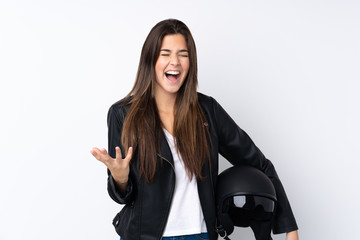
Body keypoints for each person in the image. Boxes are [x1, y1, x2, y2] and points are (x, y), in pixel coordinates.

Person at [90, 19, 299, 240]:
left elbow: (259, 163)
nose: (175, 62)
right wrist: (120, 179)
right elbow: (121, 196)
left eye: (183, 54)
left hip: (199, 235)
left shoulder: (208, 111)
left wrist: (289, 227)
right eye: (165, 53)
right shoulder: (122, 114)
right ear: (150, 59)